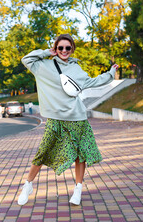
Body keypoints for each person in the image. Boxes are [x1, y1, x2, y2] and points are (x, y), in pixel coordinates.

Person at [18, 34, 119, 206]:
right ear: (55, 49)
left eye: (68, 48)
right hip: (56, 119)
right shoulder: (43, 66)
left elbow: (92, 82)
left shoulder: (76, 69)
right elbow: (26, 59)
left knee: (80, 156)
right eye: (60, 48)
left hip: (77, 117)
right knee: (43, 152)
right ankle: (28, 185)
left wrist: (111, 73)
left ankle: (78, 189)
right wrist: (45, 52)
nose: (64, 51)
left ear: (72, 49)